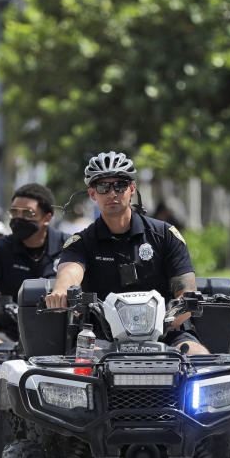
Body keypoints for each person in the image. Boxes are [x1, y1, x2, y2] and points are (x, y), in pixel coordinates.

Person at [46, 151, 210, 355]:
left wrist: (168, 319)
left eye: (120, 185)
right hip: (101, 336)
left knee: (197, 355)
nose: (112, 193)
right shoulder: (81, 242)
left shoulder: (165, 235)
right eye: (103, 187)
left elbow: (186, 292)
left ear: (132, 189)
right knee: (83, 362)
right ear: (92, 194)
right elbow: (70, 271)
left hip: (168, 332)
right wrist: (61, 290)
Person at [0, 183, 69, 346]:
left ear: (47, 218)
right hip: (13, 332)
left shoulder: (69, 246)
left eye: (28, 213)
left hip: (64, 331)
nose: (19, 218)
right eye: (14, 212)